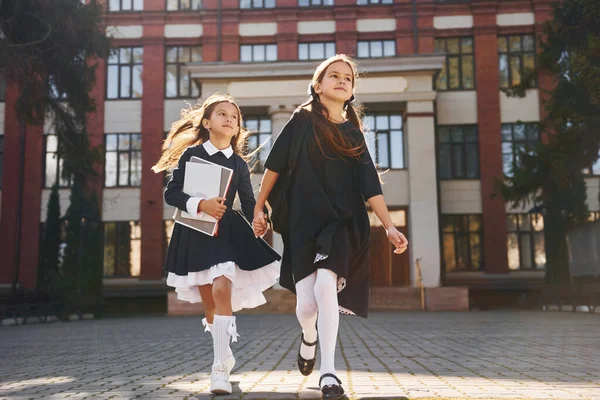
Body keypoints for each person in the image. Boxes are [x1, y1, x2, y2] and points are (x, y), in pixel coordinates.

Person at [252, 55, 408, 400]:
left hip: (343, 222)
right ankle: (308, 337)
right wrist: (259, 206)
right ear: (318, 86)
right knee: (307, 307)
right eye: (333, 76)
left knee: (326, 285)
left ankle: (328, 372)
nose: (341, 81)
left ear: (351, 91)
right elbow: (274, 166)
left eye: (347, 78)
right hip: (303, 223)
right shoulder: (301, 121)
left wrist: (390, 227)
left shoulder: (354, 133)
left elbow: (371, 186)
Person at [153, 93, 280, 395]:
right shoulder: (191, 156)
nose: (229, 119)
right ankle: (224, 353)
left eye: (234, 116)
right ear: (207, 122)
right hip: (194, 232)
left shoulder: (238, 163)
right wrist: (200, 204)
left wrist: (261, 218)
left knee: (223, 288)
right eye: (222, 114)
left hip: (227, 234)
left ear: (237, 128)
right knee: (210, 303)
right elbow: (172, 194)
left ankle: (219, 368)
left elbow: (249, 202)